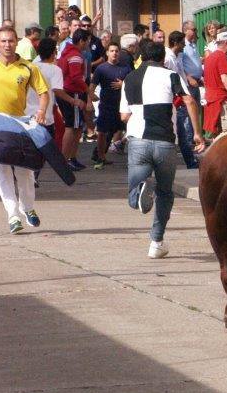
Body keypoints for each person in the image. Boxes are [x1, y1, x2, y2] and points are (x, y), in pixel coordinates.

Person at [119, 41, 205, 258]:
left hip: (138, 140)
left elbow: (124, 115)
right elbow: (190, 101)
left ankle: (139, 190)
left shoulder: (129, 78)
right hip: (165, 142)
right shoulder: (171, 75)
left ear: (141, 56)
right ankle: (156, 242)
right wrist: (197, 133)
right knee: (165, 193)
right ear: (163, 59)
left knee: (134, 192)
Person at [0, 25, 50, 233]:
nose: (7, 45)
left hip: (18, 124)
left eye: (11, 41)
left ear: (17, 42)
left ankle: (27, 208)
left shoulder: (28, 68)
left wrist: (42, 111)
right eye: (3, 41)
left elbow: (44, 92)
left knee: (24, 171)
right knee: (1, 170)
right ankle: (13, 215)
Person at [88, 43, 130, 168]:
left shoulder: (126, 68)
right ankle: (100, 157)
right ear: (107, 53)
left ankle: (132, 157)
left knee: (125, 130)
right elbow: (92, 86)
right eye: (112, 51)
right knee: (102, 132)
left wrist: (123, 84)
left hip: (122, 106)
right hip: (106, 105)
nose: (114, 53)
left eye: (116, 51)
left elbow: (133, 84)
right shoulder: (101, 69)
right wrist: (91, 96)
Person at [57, 28, 92, 171]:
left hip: (69, 92)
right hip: (73, 93)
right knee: (72, 126)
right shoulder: (75, 55)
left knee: (76, 126)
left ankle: (70, 158)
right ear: (82, 41)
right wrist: (87, 90)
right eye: (87, 41)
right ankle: (65, 160)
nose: (88, 44)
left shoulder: (68, 52)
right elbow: (76, 77)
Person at [165, 30, 199, 169]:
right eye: (182, 44)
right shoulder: (168, 59)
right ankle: (190, 162)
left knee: (185, 131)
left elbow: (180, 74)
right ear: (175, 43)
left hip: (181, 98)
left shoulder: (175, 56)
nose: (184, 47)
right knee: (184, 132)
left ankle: (190, 160)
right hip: (177, 101)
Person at [201, 31, 227, 136]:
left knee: (218, 134)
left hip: (212, 101)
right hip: (223, 101)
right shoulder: (222, 57)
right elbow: (225, 79)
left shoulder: (209, 58)